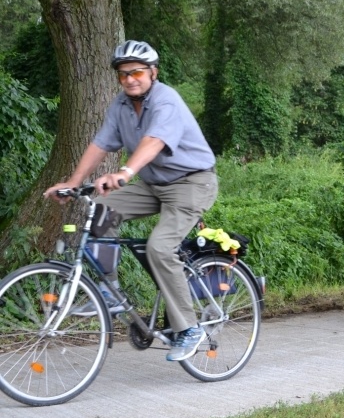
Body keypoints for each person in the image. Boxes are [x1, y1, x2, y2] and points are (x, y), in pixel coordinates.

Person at [44, 40, 218, 362]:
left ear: (153, 72)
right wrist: (72, 182)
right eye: (123, 74)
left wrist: (124, 172)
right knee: (100, 212)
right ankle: (110, 294)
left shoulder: (167, 101)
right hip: (153, 184)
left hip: (193, 183)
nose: (129, 79)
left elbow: (154, 141)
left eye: (137, 72)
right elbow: (100, 144)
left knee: (160, 247)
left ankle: (190, 328)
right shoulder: (121, 105)